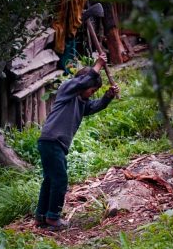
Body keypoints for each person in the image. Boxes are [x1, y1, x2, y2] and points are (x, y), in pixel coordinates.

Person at [35, 53, 120, 230]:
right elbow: (82, 83)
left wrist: (107, 97)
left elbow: (95, 106)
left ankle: (42, 216)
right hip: (52, 140)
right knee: (60, 180)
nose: (91, 93)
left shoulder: (82, 102)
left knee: (50, 180)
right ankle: (53, 218)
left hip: (52, 143)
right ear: (82, 83)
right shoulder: (67, 90)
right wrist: (97, 67)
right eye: (91, 89)